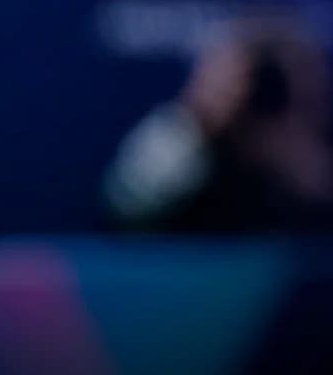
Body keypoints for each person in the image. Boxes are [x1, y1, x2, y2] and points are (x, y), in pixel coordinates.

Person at [103, 17, 333, 232]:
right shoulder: (185, 135)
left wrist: (294, 147)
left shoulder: (312, 141)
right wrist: (197, 117)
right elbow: (125, 207)